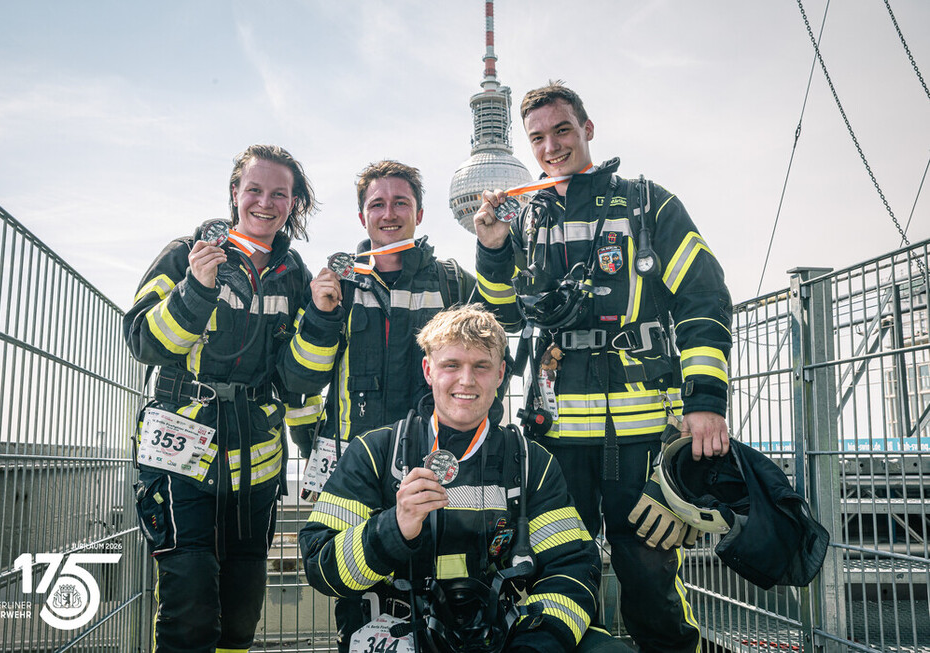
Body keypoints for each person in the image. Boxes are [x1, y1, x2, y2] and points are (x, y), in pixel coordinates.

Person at [473, 81, 733, 652]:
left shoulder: (648, 202)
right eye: (537, 137)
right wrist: (491, 249)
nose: (551, 146)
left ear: (587, 129)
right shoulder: (522, 219)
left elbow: (703, 298)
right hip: (557, 436)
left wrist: (706, 401)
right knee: (563, 574)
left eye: (562, 130)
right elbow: (501, 319)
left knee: (651, 577)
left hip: (643, 435)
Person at [123, 144, 344, 653]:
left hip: (256, 458)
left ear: (293, 203)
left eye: (279, 194)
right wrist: (195, 290)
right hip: (179, 446)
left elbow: (298, 381)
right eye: (255, 190)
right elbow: (142, 343)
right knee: (190, 602)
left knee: (242, 609)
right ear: (234, 194)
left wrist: (322, 318)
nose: (265, 202)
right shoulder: (186, 254)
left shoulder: (296, 276)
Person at [299, 305, 604, 653]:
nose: (466, 380)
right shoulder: (374, 453)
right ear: (429, 370)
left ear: (501, 373)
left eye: (481, 366)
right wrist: (392, 529)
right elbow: (320, 569)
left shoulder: (531, 462)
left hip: (501, 637)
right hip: (398, 635)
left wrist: (535, 645)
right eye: (451, 365)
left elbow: (572, 569)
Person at [287, 160, 478, 465]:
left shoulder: (453, 283)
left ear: (419, 214)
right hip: (350, 461)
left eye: (400, 203)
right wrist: (321, 316)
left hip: (431, 458)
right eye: (378, 204)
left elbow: (491, 364)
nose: (389, 214)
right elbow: (298, 381)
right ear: (363, 217)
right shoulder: (335, 287)